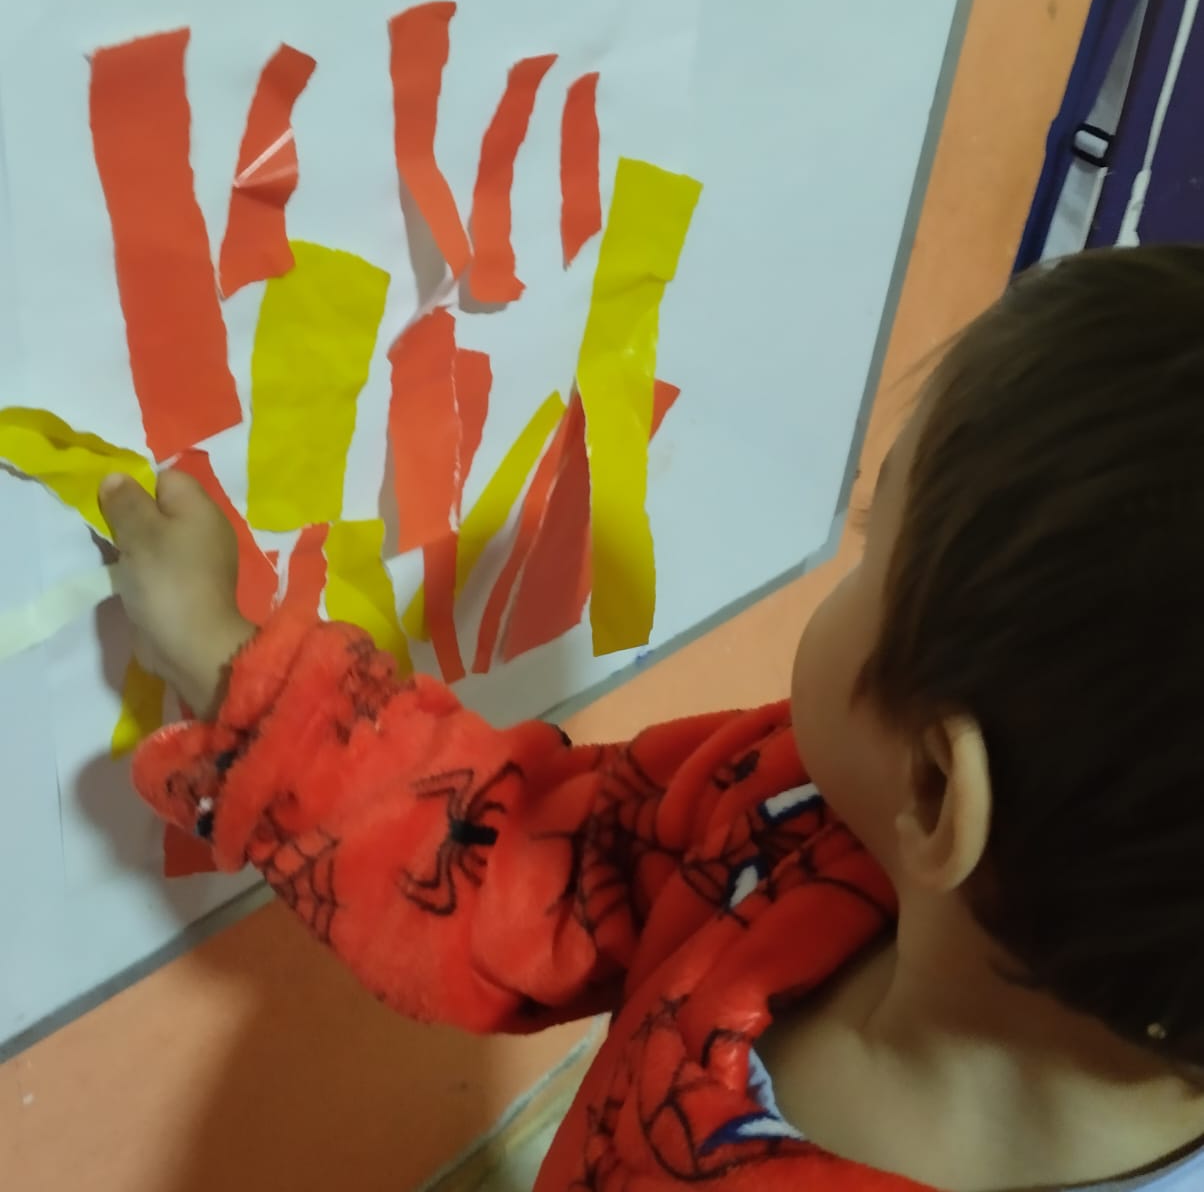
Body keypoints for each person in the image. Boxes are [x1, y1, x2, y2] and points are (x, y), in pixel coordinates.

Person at [100, 244, 1204, 1191]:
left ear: (934, 787)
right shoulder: (796, 810)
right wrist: (232, 661)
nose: (852, 547)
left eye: (873, 539)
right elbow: (522, 853)